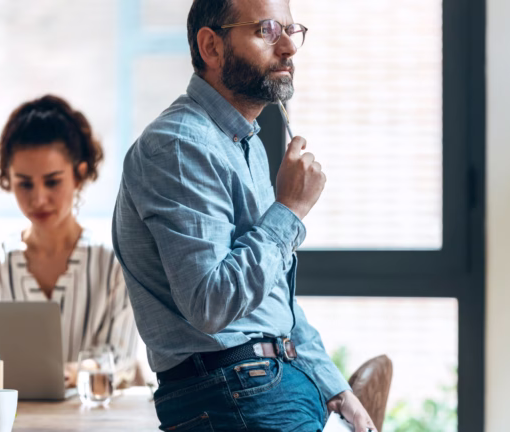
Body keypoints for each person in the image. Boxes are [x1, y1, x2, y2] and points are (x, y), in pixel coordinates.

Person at [111, 0, 376, 431]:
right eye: (267, 30)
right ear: (211, 47)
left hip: (267, 383)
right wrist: (289, 209)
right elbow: (210, 304)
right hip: (233, 392)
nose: (288, 47)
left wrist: (335, 386)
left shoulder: (241, 142)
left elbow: (273, 300)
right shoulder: (180, 145)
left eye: (291, 30)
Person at [0, 95, 138, 387]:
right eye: (24, 183)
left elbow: (121, 358)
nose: (38, 199)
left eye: (52, 181)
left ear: (79, 175)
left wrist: (74, 372)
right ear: (8, 179)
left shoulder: (115, 263)